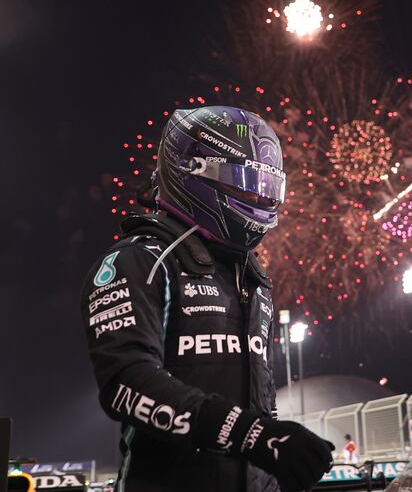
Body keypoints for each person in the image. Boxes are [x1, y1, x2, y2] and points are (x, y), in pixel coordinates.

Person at [81, 107, 334, 492]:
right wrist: (252, 435)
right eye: (245, 181)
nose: (258, 196)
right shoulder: (138, 262)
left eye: (266, 186)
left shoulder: (252, 277)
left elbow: (260, 401)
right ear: (191, 169)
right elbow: (126, 383)